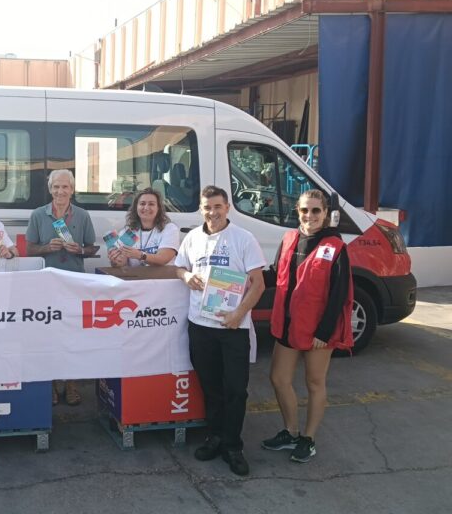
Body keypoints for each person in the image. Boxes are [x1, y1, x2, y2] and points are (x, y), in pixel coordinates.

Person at [174, 185, 265, 476]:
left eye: (217, 206)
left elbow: (259, 284)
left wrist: (239, 314)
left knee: (235, 390)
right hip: (200, 326)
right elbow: (178, 267)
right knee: (211, 388)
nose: (212, 212)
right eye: (207, 207)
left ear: (227, 207)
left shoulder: (243, 239)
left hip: (233, 328)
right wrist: (186, 275)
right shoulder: (192, 238)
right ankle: (214, 438)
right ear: (201, 210)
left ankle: (233, 446)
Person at [261, 189, 353, 463]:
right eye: (304, 210)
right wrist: (240, 280)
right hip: (288, 325)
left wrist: (324, 332)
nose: (310, 215)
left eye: (316, 211)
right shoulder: (289, 238)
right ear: (297, 212)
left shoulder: (336, 247)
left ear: (325, 214)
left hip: (317, 331)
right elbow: (275, 273)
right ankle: (290, 431)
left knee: (314, 382)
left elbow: (339, 294)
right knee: (279, 379)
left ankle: (308, 439)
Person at [26, 169, 97, 406]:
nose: (60, 191)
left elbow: (92, 248)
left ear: (72, 190)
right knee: (47, 334)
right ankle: (51, 383)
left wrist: (81, 250)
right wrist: (47, 248)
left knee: (74, 335)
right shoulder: (38, 215)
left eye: (65, 187)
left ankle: (71, 383)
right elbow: (29, 249)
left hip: (75, 283)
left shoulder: (83, 215)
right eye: (56, 187)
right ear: (50, 189)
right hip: (45, 283)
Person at [108, 188, 179, 267]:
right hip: (136, 278)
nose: (146, 208)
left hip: (162, 278)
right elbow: (122, 264)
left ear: (158, 208)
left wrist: (140, 255)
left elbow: (163, 259)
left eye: (151, 204)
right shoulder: (129, 232)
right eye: (142, 204)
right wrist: (116, 260)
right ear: (136, 207)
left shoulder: (169, 229)